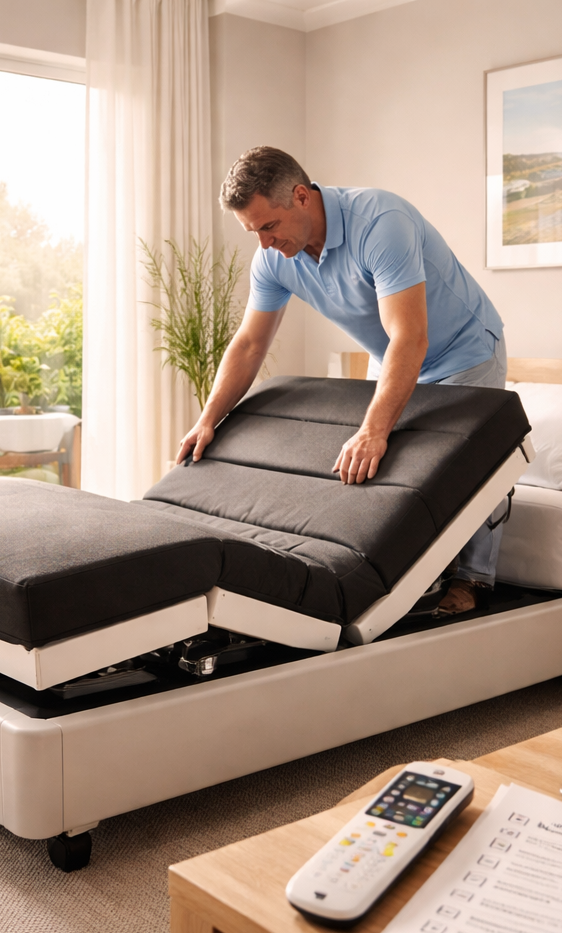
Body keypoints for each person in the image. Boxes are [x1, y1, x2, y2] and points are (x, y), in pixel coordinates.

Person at [176, 147, 506, 616]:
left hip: (463, 349)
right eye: (253, 232)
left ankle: (476, 579)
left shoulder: (380, 222)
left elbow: (411, 335)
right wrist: (208, 419)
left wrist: (373, 429)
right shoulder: (272, 259)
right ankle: (406, 573)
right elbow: (250, 344)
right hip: (389, 352)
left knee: (471, 464)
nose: (264, 243)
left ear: (301, 196)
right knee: (388, 462)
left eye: (269, 226)